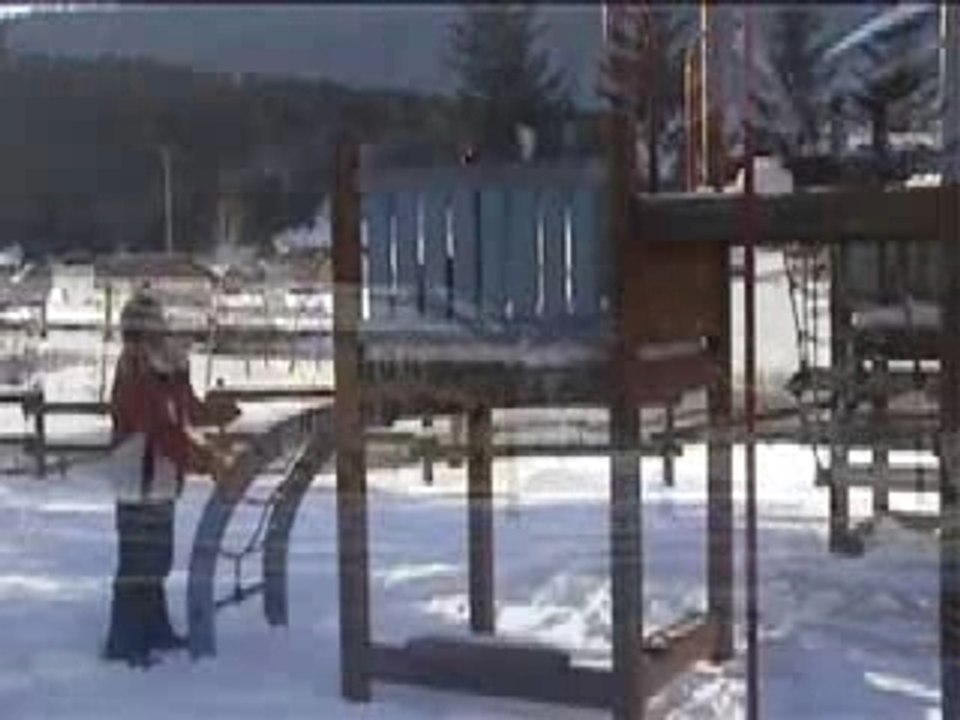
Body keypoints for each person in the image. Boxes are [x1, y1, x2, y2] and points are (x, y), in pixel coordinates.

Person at [103, 290, 240, 668]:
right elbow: (160, 430)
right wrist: (205, 461)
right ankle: (125, 640)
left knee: (157, 560)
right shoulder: (135, 375)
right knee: (138, 564)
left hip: (160, 480)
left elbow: (184, 411)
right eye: (136, 333)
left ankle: (155, 629)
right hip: (138, 480)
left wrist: (213, 412)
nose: (143, 340)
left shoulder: (166, 371)